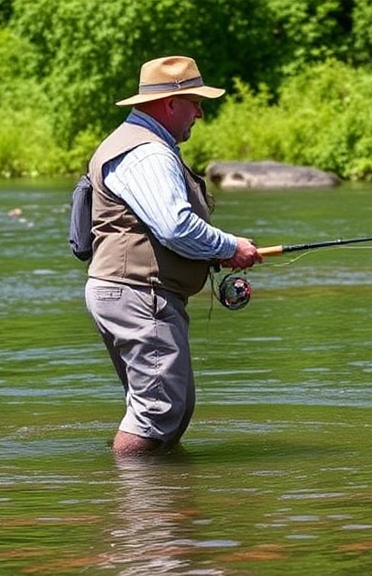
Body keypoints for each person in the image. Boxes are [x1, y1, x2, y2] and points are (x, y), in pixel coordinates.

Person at [83, 56, 262, 457]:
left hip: (132, 293)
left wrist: (214, 253)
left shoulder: (138, 144)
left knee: (170, 408)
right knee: (159, 411)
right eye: (196, 101)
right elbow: (175, 227)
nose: (200, 111)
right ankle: (140, 506)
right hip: (138, 294)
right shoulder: (148, 153)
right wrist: (231, 247)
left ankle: (163, 502)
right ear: (169, 103)